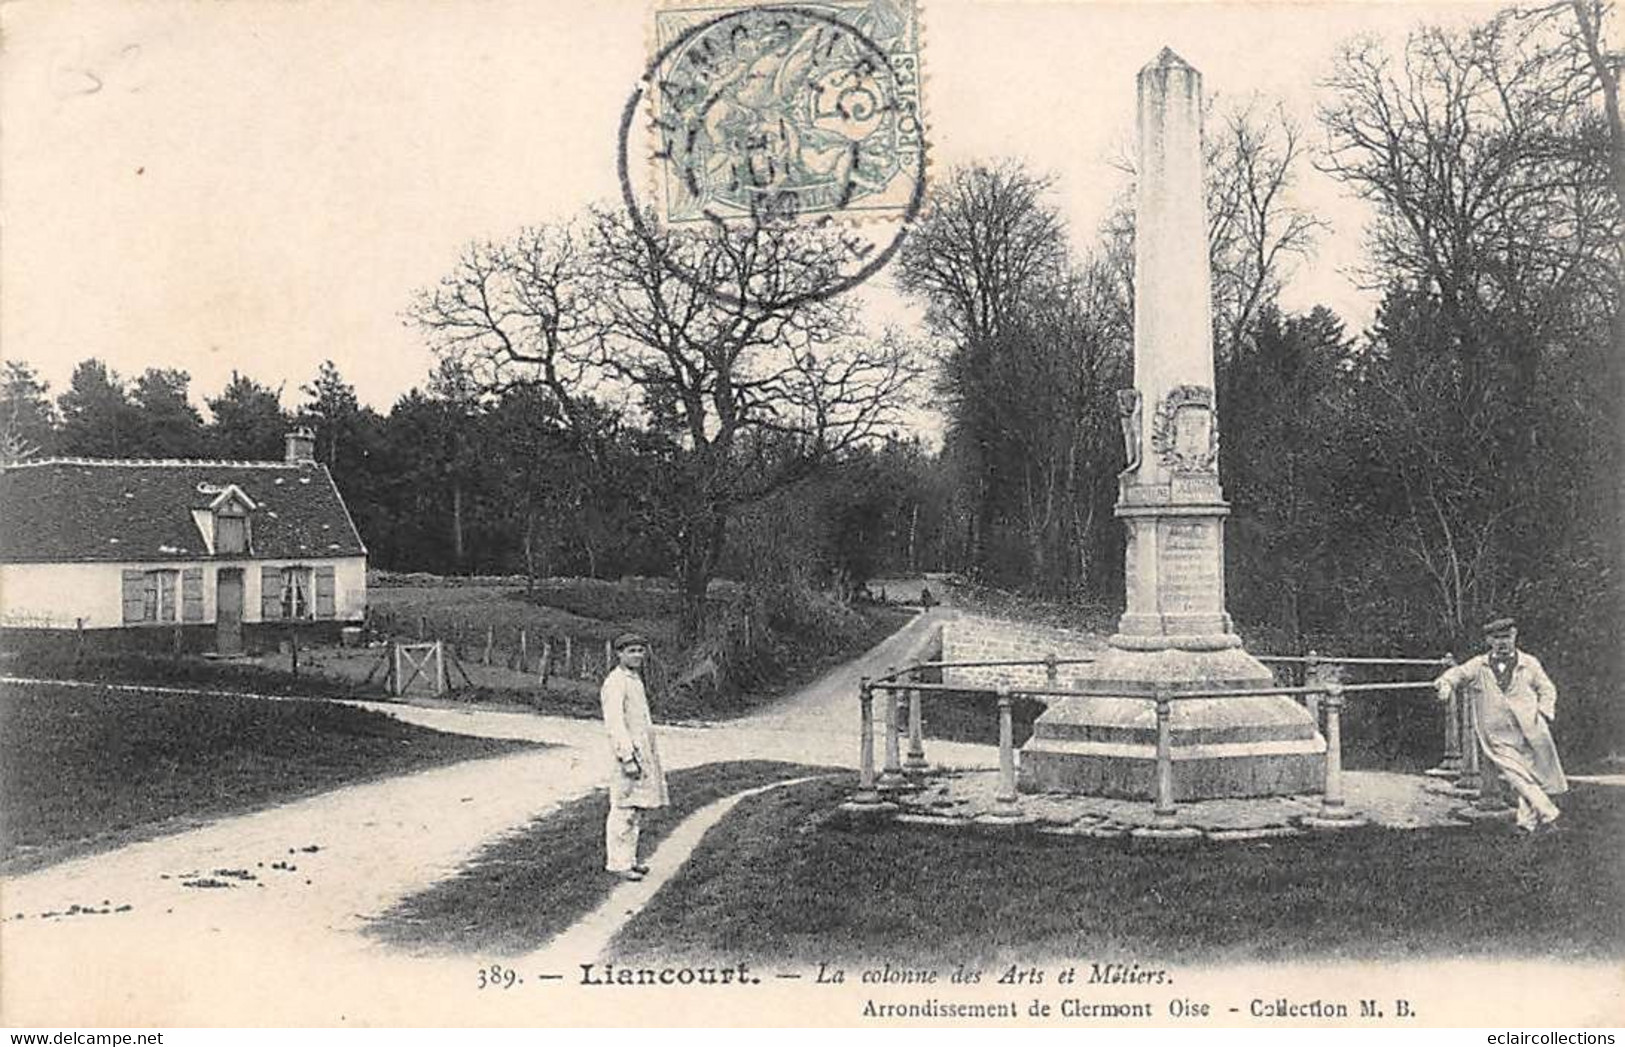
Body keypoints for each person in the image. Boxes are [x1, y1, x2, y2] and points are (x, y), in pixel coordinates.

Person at [1435, 617, 1568, 834]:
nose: (1502, 642)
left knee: (1528, 776)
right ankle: (1548, 813)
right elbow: (1457, 673)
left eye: (1506, 637)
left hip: (1530, 730)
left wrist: (1543, 711)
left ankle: (1527, 824)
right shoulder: (1479, 665)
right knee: (1516, 775)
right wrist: (1445, 684)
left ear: (1515, 636)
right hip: (1497, 735)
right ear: (1489, 640)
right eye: (1497, 638)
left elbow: (1547, 689)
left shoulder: (1529, 663)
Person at [599, 632, 669, 880]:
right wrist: (626, 757)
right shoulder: (615, 682)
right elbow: (615, 724)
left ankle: (629, 859)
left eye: (640, 650)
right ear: (619, 654)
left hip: (642, 753)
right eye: (631, 651)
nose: (638, 655)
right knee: (624, 809)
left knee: (636, 809)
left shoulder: (634, 679)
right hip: (628, 756)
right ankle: (618, 863)